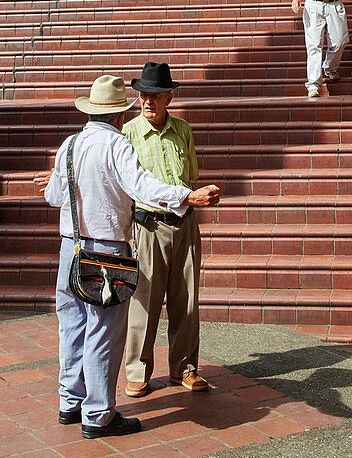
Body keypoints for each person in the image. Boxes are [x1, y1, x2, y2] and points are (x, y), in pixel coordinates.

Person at [42, 74, 220, 440]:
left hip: (69, 247)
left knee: (71, 327)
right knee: (103, 332)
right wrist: (186, 197)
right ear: (121, 113)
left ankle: (69, 401)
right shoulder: (117, 145)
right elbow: (142, 186)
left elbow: (54, 197)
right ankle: (98, 414)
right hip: (106, 250)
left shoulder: (70, 145)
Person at [123, 62, 209, 397]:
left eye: (156, 95)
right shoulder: (128, 134)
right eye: (144, 94)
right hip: (147, 227)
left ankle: (184, 368)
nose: (148, 100)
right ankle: (137, 371)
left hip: (185, 224)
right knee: (143, 302)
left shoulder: (183, 130)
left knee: (185, 301)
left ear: (169, 98)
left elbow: (191, 177)